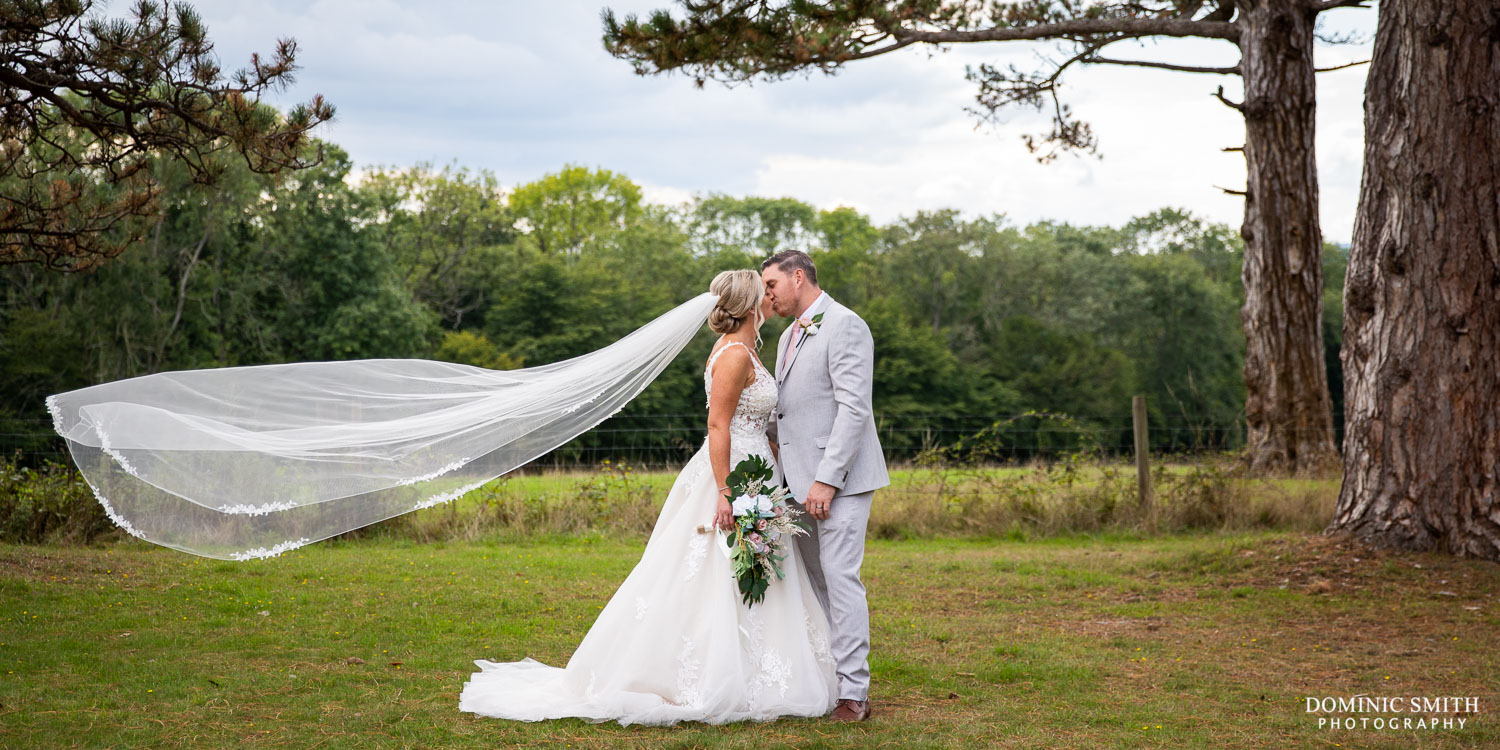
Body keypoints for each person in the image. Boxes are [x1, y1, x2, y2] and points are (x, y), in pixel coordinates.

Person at [458, 269, 839, 725]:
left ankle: (755, 667)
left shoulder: (746, 352)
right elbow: (718, 426)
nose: (771, 298)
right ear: (751, 303)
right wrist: (725, 492)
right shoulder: (735, 355)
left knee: (751, 571)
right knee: (714, 571)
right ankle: (706, 675)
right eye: (765, 293)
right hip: (733, 475)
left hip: (759, 473)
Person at [760, 249, 889, 722]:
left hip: (841, 482)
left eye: (771, 284)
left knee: (840, 578)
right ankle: (829, 679)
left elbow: (854, 410)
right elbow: (789, 409)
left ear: (799, 277)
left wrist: (825, 481)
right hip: (793, 481)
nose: (766, 294)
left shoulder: (845, 325)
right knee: (814, 582)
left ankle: (855, 694)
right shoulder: (787, 336)